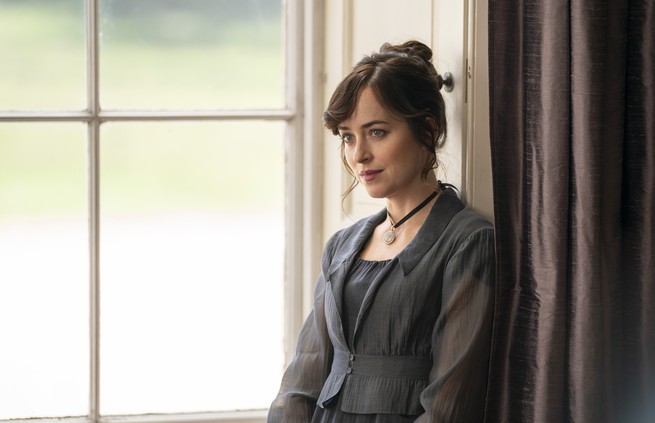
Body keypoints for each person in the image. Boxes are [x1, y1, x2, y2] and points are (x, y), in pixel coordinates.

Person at [267, 40, 495, 422]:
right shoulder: (341, 247)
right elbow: (300, 382)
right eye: (347, 136)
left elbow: (449, 407)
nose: (358, 156)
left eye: (376, 132)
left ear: (427, 129)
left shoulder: (467, 243)